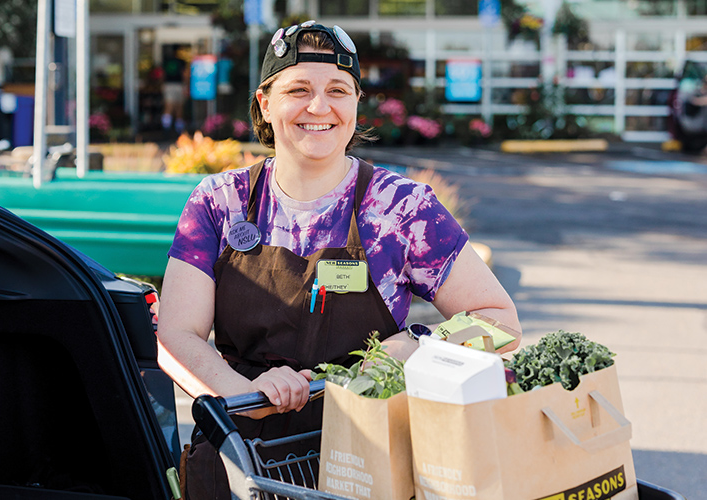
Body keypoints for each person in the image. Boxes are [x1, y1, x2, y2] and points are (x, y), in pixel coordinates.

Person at [156, 21, 521, 500]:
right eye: (299, 89)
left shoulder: (401, 208)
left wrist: (413, 348)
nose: (319, 107)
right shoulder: (219, 202)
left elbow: (500, 322)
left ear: (355, 103)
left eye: (338, 90)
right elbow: (177, 334)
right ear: (265, 102)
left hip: (368, 459)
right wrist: (242, 397)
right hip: (239, 460)